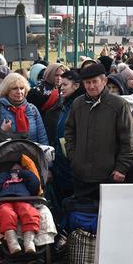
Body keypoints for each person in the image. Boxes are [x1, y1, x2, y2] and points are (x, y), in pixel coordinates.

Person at [64, 63, 133, 200]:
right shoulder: (77, 104)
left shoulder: (118, 105)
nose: (91, 86)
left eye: (95, 81)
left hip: (109, 176)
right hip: (81, 176)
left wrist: (121, 168)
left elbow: (128, 140)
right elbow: (69, 132)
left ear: (104, 81)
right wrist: (74, 158)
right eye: (87, 82)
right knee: (82, 211)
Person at [0, 73, 49, 145]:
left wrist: (44, 151)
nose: (19, 92)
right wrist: (1, 131)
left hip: (32, 151)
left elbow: (42, 137)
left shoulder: (32, 109)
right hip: (5, 152)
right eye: (14, 88)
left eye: (22, 88)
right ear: (6, 90)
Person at [51, 70, 85, 204]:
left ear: (76, 86)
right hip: (62, 160)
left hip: (72, 161)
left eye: (65, 85)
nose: (62, 88)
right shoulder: (66, 104)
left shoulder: (79, 105)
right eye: (61, 85)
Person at [0, 163, 42, 254]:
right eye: (13, 169)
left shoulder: (25, 180)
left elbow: (35, 184)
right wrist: (6, 175)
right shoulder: (4, 178)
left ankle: (29, 241)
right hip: (5, 200)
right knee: (5, 213)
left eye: (18, 168)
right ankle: (12, 241)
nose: (16, 170)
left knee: (29, 212)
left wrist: (23, 173)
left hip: (23, 200)